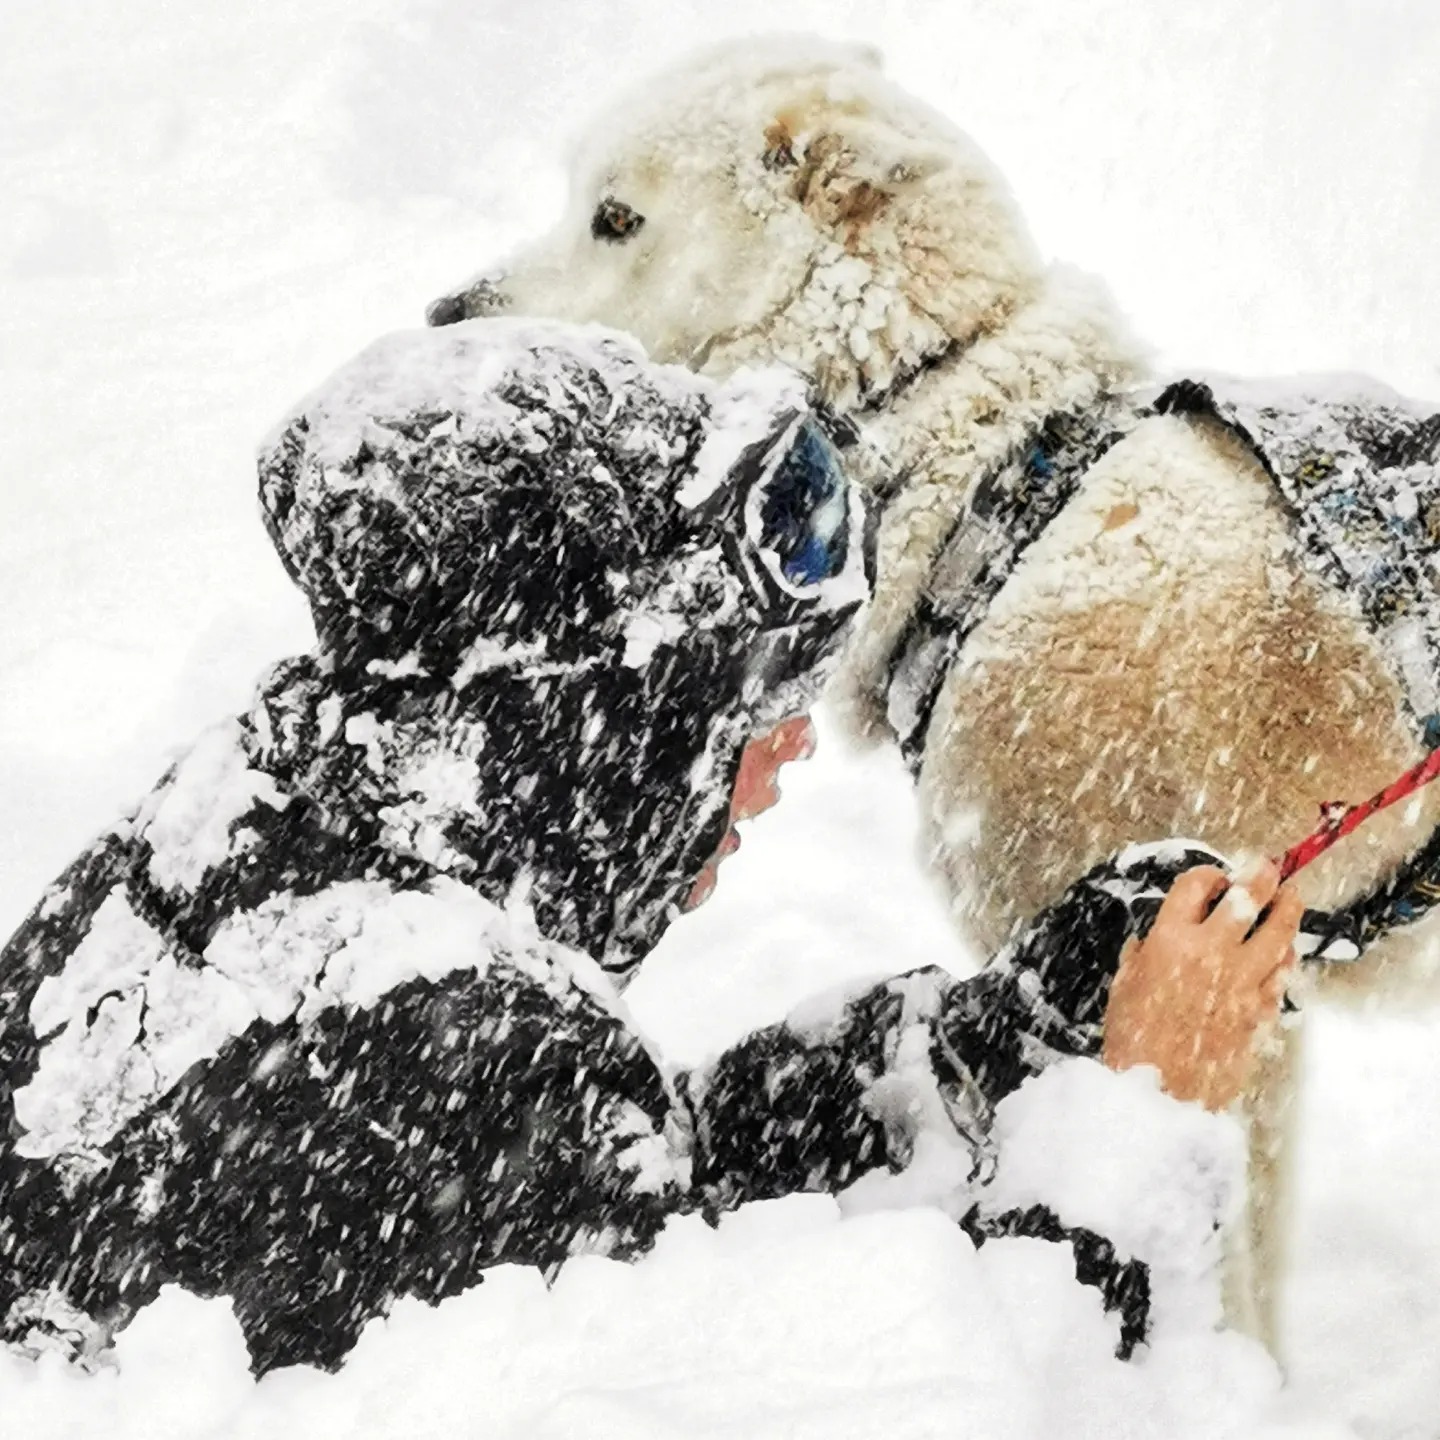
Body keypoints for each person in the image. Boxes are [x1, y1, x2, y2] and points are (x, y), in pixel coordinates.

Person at [0, 319, 1299, 1376]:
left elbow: (607, 1192)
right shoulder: (474, 1069)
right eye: (750, 697)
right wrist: (1145, 1115)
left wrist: (992, 1044)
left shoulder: (249, 829)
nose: (790, 749)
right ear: (610, 715)